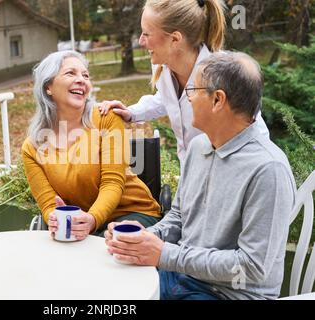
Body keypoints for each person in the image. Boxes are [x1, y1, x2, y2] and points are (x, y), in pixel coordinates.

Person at [105, 52, 296, 300]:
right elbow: (179, 216)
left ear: (218, 100)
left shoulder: (268, 170)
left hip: (227, 295)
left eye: (193, 89)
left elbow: (252, 266)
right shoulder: (199, 147)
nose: (188, 96)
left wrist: (165, 254)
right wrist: (143, 238)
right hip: (180, 276)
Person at [98, 0, 269, 163]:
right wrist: (131, 113)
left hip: (230, 172)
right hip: (191, 171)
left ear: (175, 39)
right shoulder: (162, 67)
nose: (141, 41)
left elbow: (252, 131)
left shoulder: (225, 74)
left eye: (146, 34)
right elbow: (167, 100)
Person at [22, 50, 162, 240]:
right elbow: (48, 204)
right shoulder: (32, 147)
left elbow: (112, 182)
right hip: (81, 225)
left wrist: (92, 219)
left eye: (85, 75)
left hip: (131, 214)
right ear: (49, 87)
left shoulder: (106, 119)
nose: (81, 80)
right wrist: (54, 218)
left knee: (109, 245)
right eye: (70, 73)